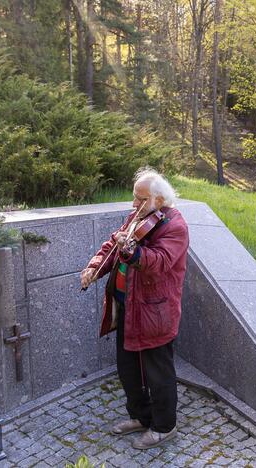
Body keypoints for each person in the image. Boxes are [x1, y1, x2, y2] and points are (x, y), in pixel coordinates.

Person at [80, 167, 189, 450]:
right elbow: (112, 245)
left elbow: (160, 262)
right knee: (129, 370)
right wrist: (95, 266)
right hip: (127, 308)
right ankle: (142, 417)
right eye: (134, 198)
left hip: (154, 313)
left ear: (159, 201)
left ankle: (165, 427)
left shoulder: (175, 226)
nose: (133, 204)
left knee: (158, 374)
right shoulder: (136, 217)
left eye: (140, 199)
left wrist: (133, 252)